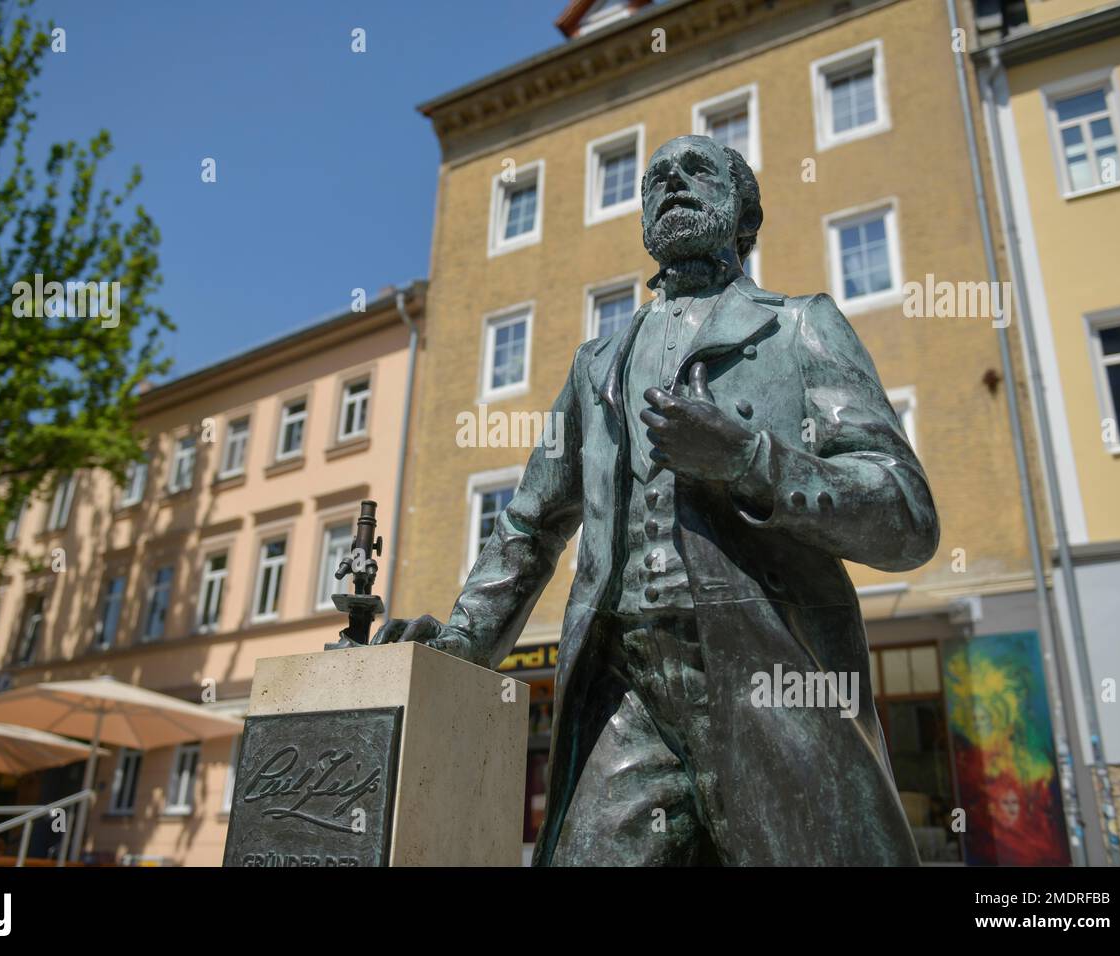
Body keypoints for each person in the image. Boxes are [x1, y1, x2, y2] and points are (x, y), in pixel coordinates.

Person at [373, 135, 938, 865]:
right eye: (654, 179)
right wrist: (460, 644)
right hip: (626, 692)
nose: (672, 182)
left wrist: (748, 461)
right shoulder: (595, 366)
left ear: (744, 215)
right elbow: (529, 525)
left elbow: (907, 516)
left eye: (696, 170)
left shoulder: (800, 328)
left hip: (773, 680)